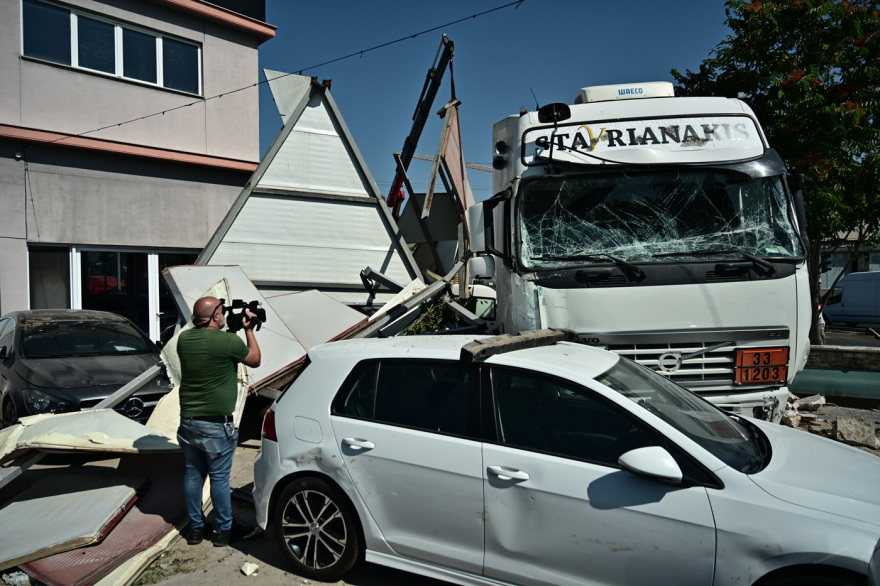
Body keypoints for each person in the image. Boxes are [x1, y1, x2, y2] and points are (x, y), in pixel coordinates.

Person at [176, 296, 261, 547]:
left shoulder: (184, 339)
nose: (224, 315)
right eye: (221, 312)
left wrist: (232, 328)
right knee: (219, 478)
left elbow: (213, 347)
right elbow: (254, 359)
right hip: (216, 426)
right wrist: (248, 330)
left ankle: (196, 529)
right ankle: (224, 530)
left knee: (193, 476)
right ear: (214, 317)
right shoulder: (229, 341)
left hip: (189, 423)